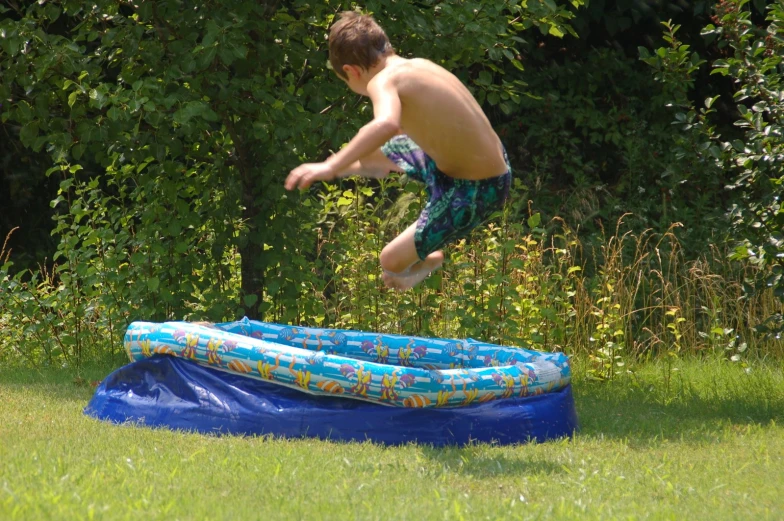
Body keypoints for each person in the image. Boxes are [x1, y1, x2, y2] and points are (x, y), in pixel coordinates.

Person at [285, 11, 511, 291]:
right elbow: (421, 124)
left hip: (476, 188)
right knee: (367, 153)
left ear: (351, 72)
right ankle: (364, 166)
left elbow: (387, 124)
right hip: (460, 165)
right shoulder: (418, 66)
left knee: (390, 261)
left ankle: (428, 261)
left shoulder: (383, 81)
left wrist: (329, 166)